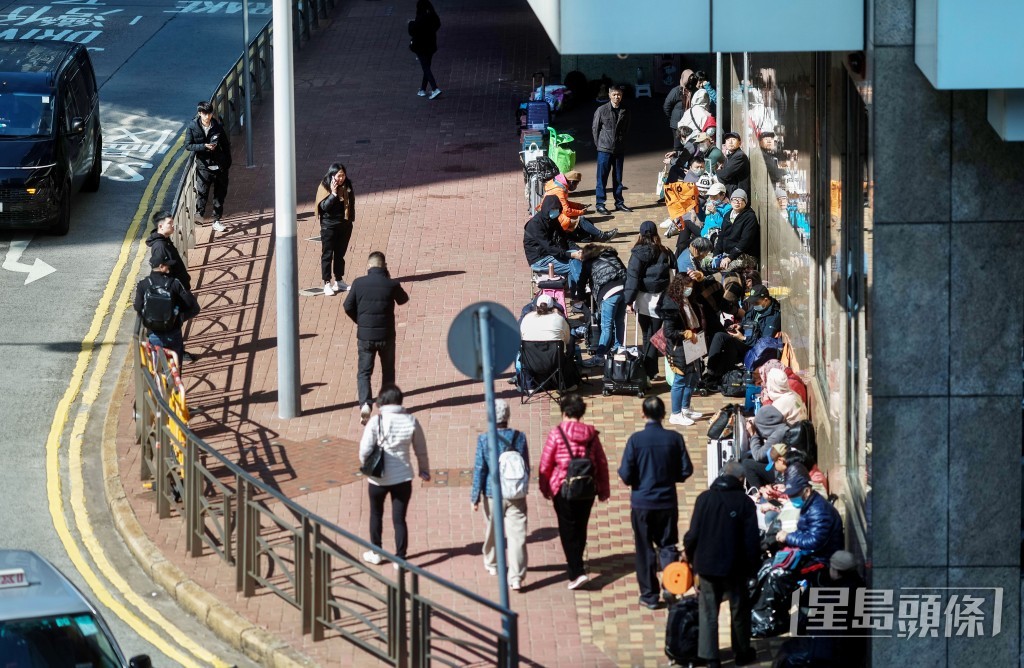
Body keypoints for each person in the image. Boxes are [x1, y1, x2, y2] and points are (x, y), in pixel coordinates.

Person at [618, 396, 693, 609]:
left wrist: (637, 484)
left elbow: (625, 474)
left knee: (644, 549)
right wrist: (672, 478)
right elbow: (686, 470)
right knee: (668, 545)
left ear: (643, 414)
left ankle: (650, 596)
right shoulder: (674, 439)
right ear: (662, 414)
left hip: (642, 503)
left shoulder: (635, 440)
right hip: (667, 502)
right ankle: (671, 586)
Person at [683, 461, 760, 667]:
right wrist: (753, 568)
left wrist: (689, 557)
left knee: (708, 610)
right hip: (736, 568)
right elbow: (751, 541)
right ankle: (742, 652)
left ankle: (710, 657)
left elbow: (693, 535)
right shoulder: (745, 503)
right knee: (739, 610)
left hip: (707, 566)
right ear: (741, 480)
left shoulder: (704, 499)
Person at [538, 393, 610, 589]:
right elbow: (601, 463)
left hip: (562, 488)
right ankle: (578, 564)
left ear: (563, 412)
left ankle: (576, 571)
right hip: (587, 488)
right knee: (581, 526)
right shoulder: (591, 435)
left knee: (567, 529)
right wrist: (603, 489)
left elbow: (546, 463)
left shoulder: (557, 434)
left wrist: (545, 488)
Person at [358, 385, 430, 565]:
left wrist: (365, 463)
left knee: (376, 514)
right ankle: (401, 558)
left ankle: (376, 552)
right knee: (399, 519)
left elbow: (364, 450)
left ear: (382, 401)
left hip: (377, 479)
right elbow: (421, 450)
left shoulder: (376, 421)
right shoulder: (411, 421)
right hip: (403, 478)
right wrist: (424, 470)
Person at [343, 252, 410, 425]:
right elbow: (404, 299)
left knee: (364, 372)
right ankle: (388, 406)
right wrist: (389, 278)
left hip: (365, 337)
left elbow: (347, 306)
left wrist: (360, 320)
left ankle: (365, 403)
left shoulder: (358, 283)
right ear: (384, 266)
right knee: (388, 371)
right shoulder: (391, 284)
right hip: (386, 335)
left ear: (369, 266)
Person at [470, 399, 530, 591]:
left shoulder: (485, 439)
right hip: (516, 493)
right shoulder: (519, 437)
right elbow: (525, 466)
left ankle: (493, 563)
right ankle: (516, 577)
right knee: (517, 536)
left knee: (492, 530)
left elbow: (480, 469)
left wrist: (475, 497)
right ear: (507, 416)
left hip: (492, 492)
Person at [623, 220, 674, 378]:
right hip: (660, 298)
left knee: (647, 334)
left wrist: (628, 301)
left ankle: (647, 371)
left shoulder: (637, 254)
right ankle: (649, 370)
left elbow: (632, 278)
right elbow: (674, 274)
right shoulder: (665, 251)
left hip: (642, 299)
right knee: (653, 335)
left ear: (640, 234)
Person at [133, 255, 201, 369]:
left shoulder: (143, 285)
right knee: (175, 366)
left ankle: (160, 384)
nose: (169, 266)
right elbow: (190, 304)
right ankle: (174, 384)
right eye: (167, 265)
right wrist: (176, 313)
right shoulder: (174, 283)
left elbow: (138, 306)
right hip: (173, 332)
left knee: (157, 367)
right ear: (161, 266)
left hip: (154, 334)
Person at [706, 284, 781, 384]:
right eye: (752, 302)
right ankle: (711, 373)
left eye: (756, 302)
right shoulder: (755, 309)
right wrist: (739, 326)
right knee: (720, 336)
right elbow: (746, 320)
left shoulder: (773, 316)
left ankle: (719, 376)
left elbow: (765, 343)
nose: (754, 305)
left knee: (728, 343)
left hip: (755, 349)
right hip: (746, 340)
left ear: (766, 300)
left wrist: (743, 338)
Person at [660, 273, 707, 426]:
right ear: (679, 287)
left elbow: (700, 293)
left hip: (693, 342)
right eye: (687, 287)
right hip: (678, 347)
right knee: (680, 380)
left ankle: (685, 408)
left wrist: (700, 278)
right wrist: (684, 333)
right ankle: (675, 413)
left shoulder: (687, 299)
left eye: (691, 287)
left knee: (693, 377)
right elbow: (668, 332)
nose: (690, 289)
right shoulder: (670, 304)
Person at [776, 464, 844, 565]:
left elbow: (814, 541)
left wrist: (788, 537)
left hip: (823, 560)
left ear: (807, 491)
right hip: (813, 554)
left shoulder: (819, 511)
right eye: (790, 495)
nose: (791, 498)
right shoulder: (808, 505)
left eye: (795, 495)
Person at [185, 101, 231, 232]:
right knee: (202, 192)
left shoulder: (217, 126)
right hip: (204, 165)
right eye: (205, 113)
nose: (207, 116)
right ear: (199, 113)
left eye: (210, 113)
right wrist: (204, 146)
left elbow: (226, 145)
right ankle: (199, 214)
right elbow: (188, 145)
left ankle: (216, 220)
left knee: (220, 194)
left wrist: (228, 162)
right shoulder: (192, 127)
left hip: (220, 165)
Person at [577, 244, 627, 367]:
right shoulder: (612, 256)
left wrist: (581, 297)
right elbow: (624, 271)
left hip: (609, 293)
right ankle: (618, 350)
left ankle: (599, 356)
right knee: (619, 322)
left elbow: (581, 282)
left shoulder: (588, 263)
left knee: (606, 326)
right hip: (624, 289)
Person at [523, 194, 582, 289]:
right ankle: (579, 295)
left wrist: (578, 250)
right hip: (539, 259)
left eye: (558, 210)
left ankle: (577, 294)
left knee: (575, 260)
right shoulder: (535, 225)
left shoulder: (553, 220)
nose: (556, 212)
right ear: (546, 209)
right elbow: (549, 247)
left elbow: (565, 238)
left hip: (550, 254)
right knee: (573, 265)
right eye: (553, 210)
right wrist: (571, 255)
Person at [315, 163, 356, 296]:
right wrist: (333, 194)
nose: (341, 178)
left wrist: (350, 221)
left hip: (344, 225)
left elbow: (351, 202)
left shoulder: (347, 185)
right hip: (329, 226)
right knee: (327, 255)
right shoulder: (325, 186)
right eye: (339, 176)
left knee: (340, 254)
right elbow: (324, 207)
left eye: (343, 175)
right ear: (332, 175)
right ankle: (326, 282)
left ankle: (339, 280)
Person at [543, 171, 617, 242]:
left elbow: (563, 203)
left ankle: (593, 235)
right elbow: (566, 210)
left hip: (554, 213)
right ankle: (603, 236)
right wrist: (581, 212)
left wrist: (578, 206)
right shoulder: (559, 190)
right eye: (576, 184)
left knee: (585, 221)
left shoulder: (559, 185)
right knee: (580, 219)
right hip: (552, 217)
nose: (576, 187)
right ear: (571, 182)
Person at [592, 85, 631, 215]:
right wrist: (599, 145)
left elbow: (626, 129)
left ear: (622, 95)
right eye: (614, 94)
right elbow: (595, 129)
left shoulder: (625, 110)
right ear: (609, 95)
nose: (616, 97)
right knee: (602, 177)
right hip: (604, 149)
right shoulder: (601, 110)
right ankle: (600, 204)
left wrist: (622, 142)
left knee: (618, 178)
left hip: (619, 149)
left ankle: (619, 202)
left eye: (619, 94)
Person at [740, 405, 789, 487]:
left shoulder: (779, 434)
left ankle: (759, 494)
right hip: (775, 462)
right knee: (746, 456)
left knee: (747, 464)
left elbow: (759, 456)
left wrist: (754, 434)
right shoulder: (781, 427)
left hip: (781, 472)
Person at [714, 189, 761, 270]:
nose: (737, 202)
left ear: (745, 202)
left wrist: (729, 258)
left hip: (745, 255)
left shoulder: (750, 217)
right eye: (734, 199)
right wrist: (716, 256)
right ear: (730, 201)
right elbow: (721, 236)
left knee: (725, 269)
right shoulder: (728, 215)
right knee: (707, 263)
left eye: (740, 199)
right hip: (729, 253)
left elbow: (745, 241)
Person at [146, 211, 191, 291]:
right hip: (176, 291)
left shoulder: (166, 240)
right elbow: (159, 272)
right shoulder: (160, 246)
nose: (173, 225)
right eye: (170, 223)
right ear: (161, 226)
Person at [408, 0, 441, 99]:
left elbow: (413, 31)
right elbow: (438, 24)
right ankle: (422, 89)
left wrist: (410, 23)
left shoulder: (420, 18)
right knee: (427, 67)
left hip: (421, 47)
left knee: (426, 67)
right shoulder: (432, 16)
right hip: (431, 45)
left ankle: (435, 88)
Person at [662, 69, 695, 149]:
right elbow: (666, 106)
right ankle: (677, 160)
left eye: (692, 79)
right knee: (678, 145)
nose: (690, 81)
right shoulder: (676, 91)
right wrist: (672, 117)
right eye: (689, 79)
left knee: (690, 145)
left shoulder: (693, 91)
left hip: (690, 122)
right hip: (677, 123)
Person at [715, 131, 750, 197]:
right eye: (728, 140)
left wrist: (718, 171)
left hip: (738, 196)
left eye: (733, 139)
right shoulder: (730, 155)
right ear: (725, 143)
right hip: (731, 193)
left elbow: (725, 175)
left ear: (739, 143)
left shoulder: (739, 156)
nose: (730, 142)